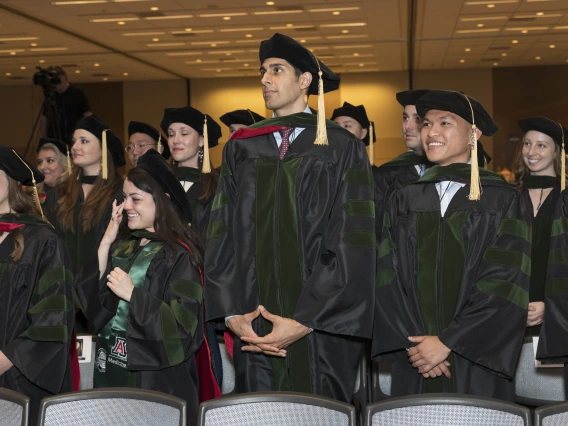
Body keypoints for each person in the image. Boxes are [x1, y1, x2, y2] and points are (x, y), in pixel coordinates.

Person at [205, 33, 375, 402]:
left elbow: (352, 240)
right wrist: (232, 313)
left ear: (304, 81)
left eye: (276, 70)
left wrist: (305, 319)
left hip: (321, 327)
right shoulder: (242, 147)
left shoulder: (342, 147)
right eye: (263, 71)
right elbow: (220, 235)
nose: (265, 79)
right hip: (254, 323)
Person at [373, 90, 531, 401]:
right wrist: (416, 345)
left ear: (474, 134)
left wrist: (447, 342)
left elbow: (505, 282)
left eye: (445, 123)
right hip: (414, 357)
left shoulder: (503, 199)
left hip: (476, 356)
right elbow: (385, 275)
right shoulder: (405, 198)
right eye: (427, 123)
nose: (431, 132)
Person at [74, 150, 207, 426]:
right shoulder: (126, 246)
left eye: (136, 199)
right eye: (124, 198)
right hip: (111, 368)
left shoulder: (180, 256)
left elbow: (183, 331)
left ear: (162, 202)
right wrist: (105, 243)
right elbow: (94, 312)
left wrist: (133, 295)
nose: (126, 206)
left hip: (156, 383)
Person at [0, 146, 74, 423]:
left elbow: (53, 318)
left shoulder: (43, 240)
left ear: (11, 182)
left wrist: (5, 359)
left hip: (21, 377)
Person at [51, 114, 125, 332]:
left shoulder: (119, 193)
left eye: (84, 141)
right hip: (60, 297)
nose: (75, 146)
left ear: (103, 149)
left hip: (100, 297)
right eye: (74, 141)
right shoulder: (60, 192)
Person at [513, 117, 565, 337]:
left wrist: (550, 304)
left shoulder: (565, 199)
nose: (531, 151)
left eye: (541, 145)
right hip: (511, 310)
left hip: (559, 312)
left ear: (557, 152)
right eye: (527, 143)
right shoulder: (509, 198)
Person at [372, 89, 430, 238]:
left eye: (417, 119)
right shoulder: (385, 175)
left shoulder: (451, 172)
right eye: (405, 118)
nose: (407, 126)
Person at [160, 106, 221, 239]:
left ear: (201, 140)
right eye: (171, 134)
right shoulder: (159, 183)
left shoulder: (216, 187)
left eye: (184, 133)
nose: (175, 140)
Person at [39, 66, 92, 143]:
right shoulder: (51, 95)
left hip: (74, 139)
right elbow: (44, 119)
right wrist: (43, 141)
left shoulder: (77, 93)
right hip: (54, 141)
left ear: (63, 77)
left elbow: (88, 116)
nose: (54, 84)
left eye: (56, 79)